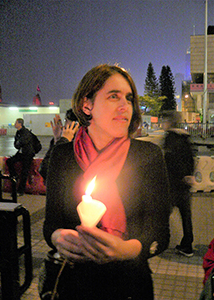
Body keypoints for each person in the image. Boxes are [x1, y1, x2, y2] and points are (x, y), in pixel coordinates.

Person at [41, 64, 170, 300]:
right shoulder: (62, 156)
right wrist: (58, 237)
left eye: (129, 99)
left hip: (130, 284)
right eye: (113, 96)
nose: (125, 107)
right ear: (86, 104)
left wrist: (126, 249)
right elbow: (50, 223)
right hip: (73, 284)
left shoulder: (148, 155)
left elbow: (160, 232)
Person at [161, 110, 195, 257]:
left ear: (169, 122)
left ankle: (158, 242)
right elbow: (191, 159)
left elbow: (169, 162)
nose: (163, 124)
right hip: (185, 185)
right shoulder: (185, 137)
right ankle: (187, 246)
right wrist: (189, 175)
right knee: (186, 216)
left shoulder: (170, 138)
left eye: (164, 121)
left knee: (161, 213)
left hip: (172, 185)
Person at [39, 109, 79, 183]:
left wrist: (63, 140)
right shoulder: (63, 141)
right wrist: (57, 139)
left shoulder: (75, 146)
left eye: (66, 121)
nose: (64, 126)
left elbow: (46, 169)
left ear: (75, 124)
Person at [6, 118, 35, 196]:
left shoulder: (26, 132)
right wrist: (18, 143)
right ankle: (14, 175)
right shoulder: (18, 132)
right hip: (21, 153)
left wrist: (19, 143)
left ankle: (20, 191)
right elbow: (16, 144)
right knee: (9, 161)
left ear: (20, 124)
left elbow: (23, 142)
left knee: (24, 172)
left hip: (28, 154)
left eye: (16, 122)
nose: (15, 124)